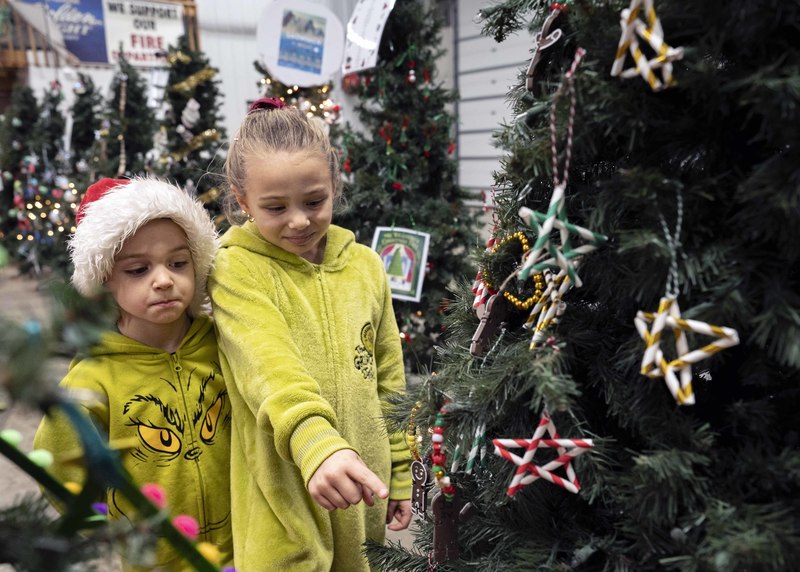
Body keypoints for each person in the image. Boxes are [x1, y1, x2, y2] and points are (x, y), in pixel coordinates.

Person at [208, 98, 412, 571]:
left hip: (363, 496)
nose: (299, 221)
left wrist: (399, 472)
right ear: (242, 200)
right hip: (286, 511)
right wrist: (315, 444)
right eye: (275, 207)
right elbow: (267, 368)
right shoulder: (235, 268)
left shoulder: (366, 267)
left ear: (334, 187)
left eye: (314, 201)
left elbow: (389, 380)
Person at [33, 177, 233, 571]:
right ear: (104, 283)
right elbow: (55, 463)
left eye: (178, 263)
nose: (163, 280)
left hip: (244, 545)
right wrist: (105, 522)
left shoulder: (222, 343)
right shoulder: (94, 378)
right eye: (139, 269)